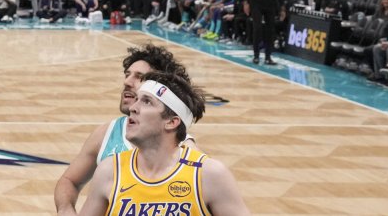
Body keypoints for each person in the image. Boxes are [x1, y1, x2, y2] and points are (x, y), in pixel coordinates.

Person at [79, 71, 250, 216]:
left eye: (147, 101)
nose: (133, 107)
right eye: (137, 99)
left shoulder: (209, 174)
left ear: (171, 122)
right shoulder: (110, 170)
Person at [54, 44, 190, 216]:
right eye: (127, 75)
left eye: (139, 77)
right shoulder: (106, 133)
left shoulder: (184, 146)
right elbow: (69, 181)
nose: (127, 82)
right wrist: (66, 209)